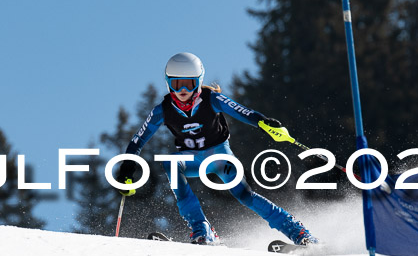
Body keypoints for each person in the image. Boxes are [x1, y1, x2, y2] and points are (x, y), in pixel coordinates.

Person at [116, 52, 318, 246]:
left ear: (199, 81)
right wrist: (127, 165)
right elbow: (138, 139)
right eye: (176, 84)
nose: (182, 90)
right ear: (168, 83)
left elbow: (242, 111)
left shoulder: (211, 99)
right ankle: (202, 229)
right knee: (171, 164)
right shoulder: (163, 110)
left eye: (189, 83)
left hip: (220, 156)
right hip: (191, 159)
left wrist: (263, 123)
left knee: (245, 196)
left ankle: (298, 232)